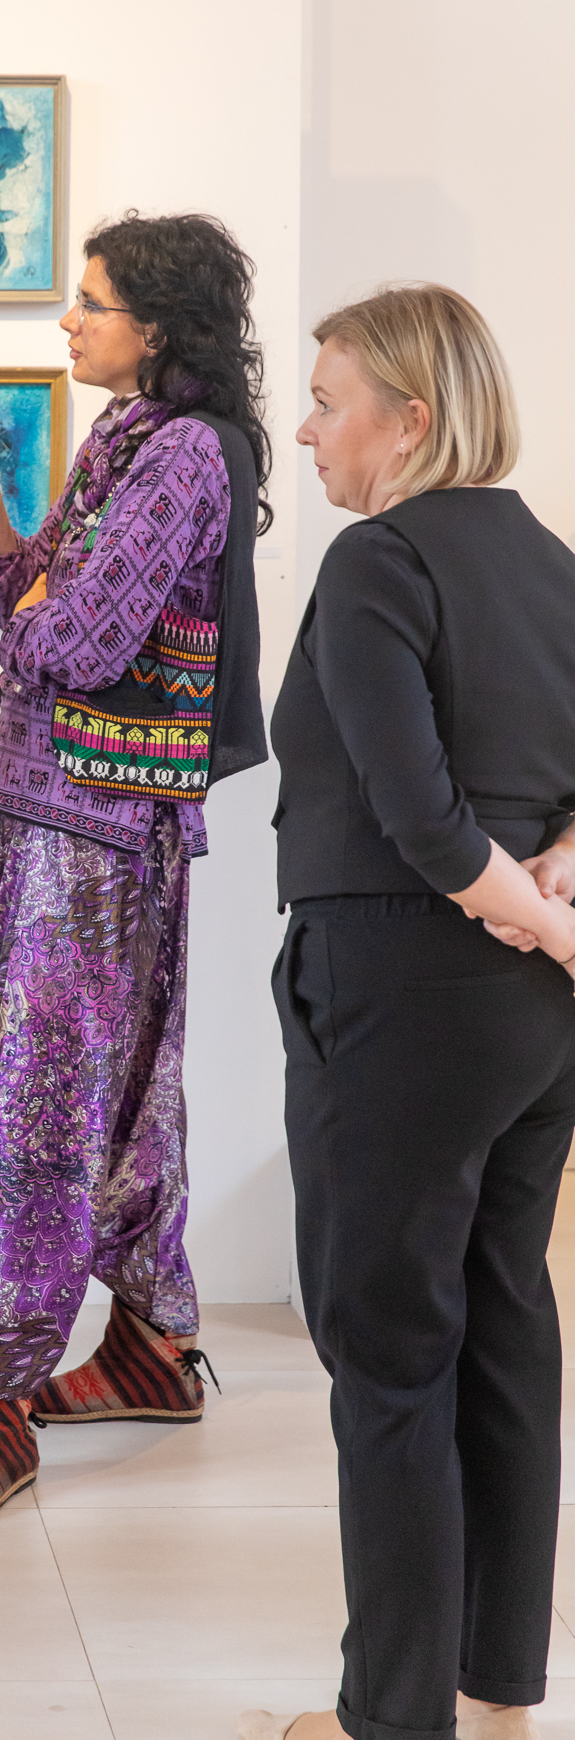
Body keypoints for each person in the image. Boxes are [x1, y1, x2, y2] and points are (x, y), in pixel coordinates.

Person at [242, 286, 575, 1740]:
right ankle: (496, 1699)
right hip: (532, 1024)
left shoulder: (380, 559)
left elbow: (420, 817)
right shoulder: (553, 565)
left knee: (388, 1357)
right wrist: (557, 907)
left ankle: (391, 1723)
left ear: (411, 421)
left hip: (398, 994)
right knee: (505, 1321)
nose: (308, 430)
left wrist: (544, 916)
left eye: (329, 403)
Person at [0, 212, 270, 1525]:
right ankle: (154, 1346)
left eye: (93, 301)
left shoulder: (181, 456)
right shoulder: (124, 439)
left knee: (38, 1100)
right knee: (119, 1085)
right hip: (67, 810)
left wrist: (48, 609)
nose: (70, 320)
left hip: (95, 829)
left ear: (156, 327)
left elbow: (78, 643)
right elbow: (30, 598)